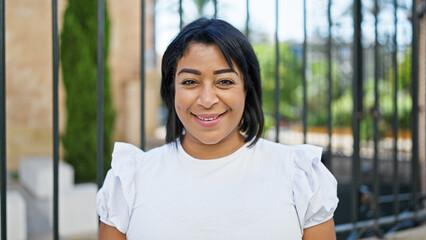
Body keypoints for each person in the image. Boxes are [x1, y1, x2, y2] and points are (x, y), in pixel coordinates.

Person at [96, 18, 338, 240]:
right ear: (173, 89)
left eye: (225, 81)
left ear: (247, 89)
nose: (207, 99)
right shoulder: (129, 181)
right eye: (190, 82)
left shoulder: (300, 176)